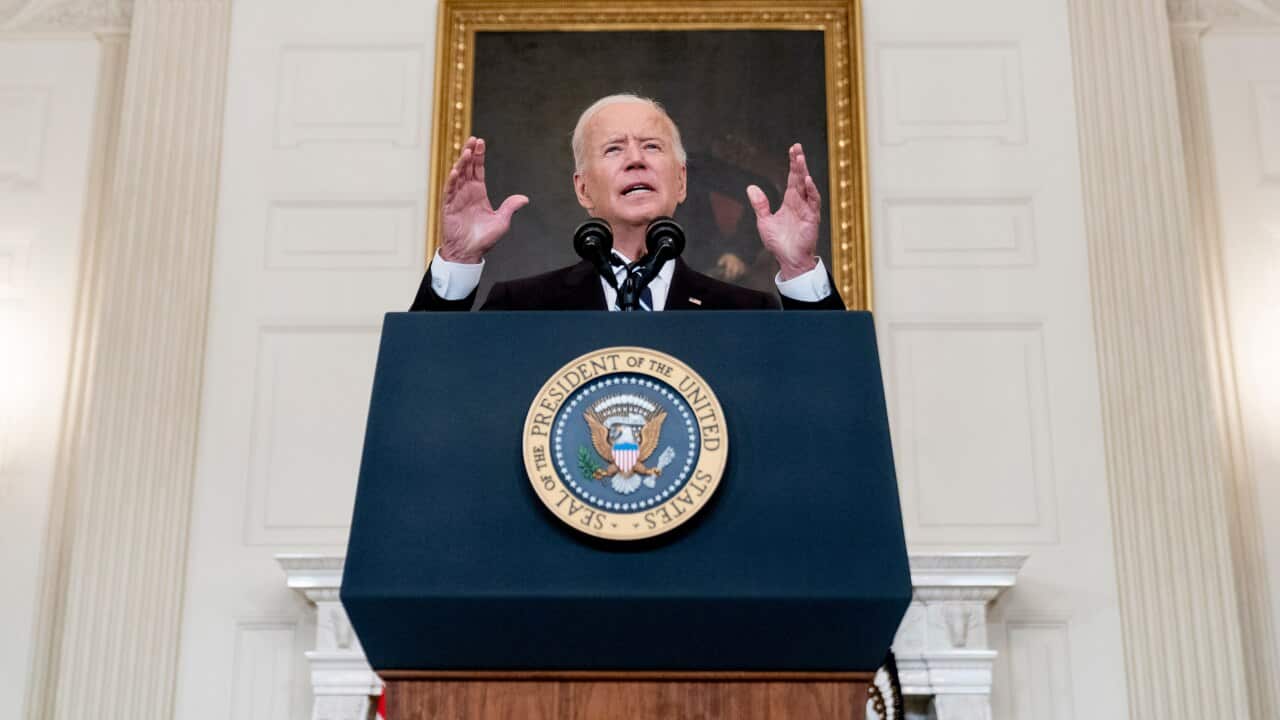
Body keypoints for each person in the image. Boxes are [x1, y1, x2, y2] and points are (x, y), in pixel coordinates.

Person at [409, 93, 844, 311]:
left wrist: (800, 269)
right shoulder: (521, 306)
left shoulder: (746, 313)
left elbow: (829, 390)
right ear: (583, 190)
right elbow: (432, 383)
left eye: (652, 147)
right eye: (614, 149)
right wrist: (459, 259)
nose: (636, 159)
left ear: (681, 181)